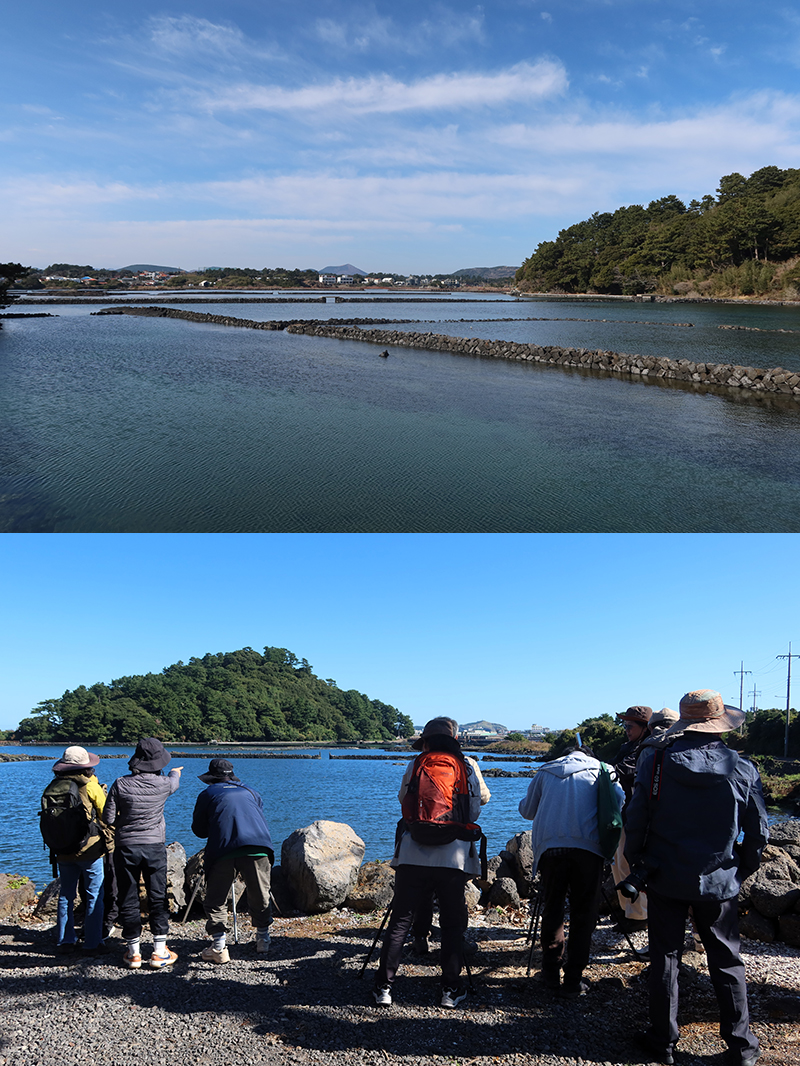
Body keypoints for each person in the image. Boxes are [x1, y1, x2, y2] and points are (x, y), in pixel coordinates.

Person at [625, 690, 768, 1066]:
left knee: (665, 958)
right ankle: (741, 1046)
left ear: (685, 723)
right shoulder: (743, 768)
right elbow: (759, 833)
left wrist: (637, 862)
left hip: (664, 874)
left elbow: (636, 817)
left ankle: (663, 1040)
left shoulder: (654, 761)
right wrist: (740, 869)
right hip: (720, 880)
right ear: (721, 724)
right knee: (727, 961)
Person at [372, 717, 490, 1008]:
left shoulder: (416, 764)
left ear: (425, 741)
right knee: (452, 924)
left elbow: (403, 801)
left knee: (400, 920)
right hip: (453, 856)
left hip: (413, 853)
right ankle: (450, 990)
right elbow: (473, 811)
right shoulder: (467, 764)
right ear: (454, 739)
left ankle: (383, 989)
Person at [518, 743, 624, 997]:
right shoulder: (603, 770)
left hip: (551, 849)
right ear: (589, 755)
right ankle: (574, 978)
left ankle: (551, 972)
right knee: (583, 913)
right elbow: (619, 804)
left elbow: (526, 811)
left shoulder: (546, 771)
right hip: (588, 850)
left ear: (564, 755)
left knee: (552, 909)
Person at [104, 737, 182, 969]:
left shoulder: (120, 784)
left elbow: (108, 819)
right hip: (154, 847)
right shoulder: (165, 784)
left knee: (128, 897)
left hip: (126, 847)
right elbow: (174, 781)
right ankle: (159, 951)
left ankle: (134, 953)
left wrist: (126, 824)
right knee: (157, 896)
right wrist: (175, 772)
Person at [191, 758, 274, 963]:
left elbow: (199, 830)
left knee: (216, 897)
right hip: (258, 846)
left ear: (212, 778)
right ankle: (263, 939)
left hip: (224, 848)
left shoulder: (208, 794)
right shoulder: (251, 791)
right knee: (260, 892)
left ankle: (219, 947)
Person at [47, 746, 108, 955]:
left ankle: (65, 940)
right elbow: (106, 813)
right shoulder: (90, 786)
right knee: (93, 895)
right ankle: (93, 942)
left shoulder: (53, 786)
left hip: (62, 849)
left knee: (66, 895)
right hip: (90, 850)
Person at [612, 705, 653, 927]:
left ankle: (638, 916)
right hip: (622, 813)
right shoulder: (629, 747)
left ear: (645, 727)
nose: (626, 729)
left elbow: (621, 771)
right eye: (624, 725)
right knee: (618, 863)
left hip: (634, 816)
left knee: (628, 864)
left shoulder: (644, 749)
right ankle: (627, 910)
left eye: (630, 725)